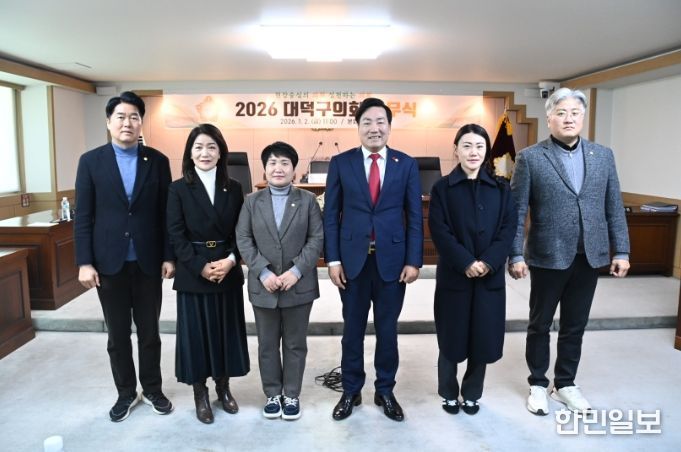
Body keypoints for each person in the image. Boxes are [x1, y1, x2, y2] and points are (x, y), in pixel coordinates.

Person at [508, 88, 630, 415]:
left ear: (583, 117)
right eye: (561, 112)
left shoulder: (603, 156)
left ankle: (565, 384)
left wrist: (622, 251)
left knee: (575, 324)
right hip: (548, 254)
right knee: (540, 324)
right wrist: (515, 255)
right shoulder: (531, 157)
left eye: (575, 112)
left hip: (589, 255)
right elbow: (516, 211)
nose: (569, 118)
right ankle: (537, 383)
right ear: (549, 118)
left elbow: (614, 206)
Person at [74, 91, 175, 422]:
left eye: (134, 117)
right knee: (117, 335)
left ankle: (153, 389)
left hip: (147, 262)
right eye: (120, 116)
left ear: (141, 122)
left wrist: (168, 256)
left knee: (149, 332)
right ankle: (125, 392)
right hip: (109, 264)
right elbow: (83, 216)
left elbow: (165, 214)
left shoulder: (157, 161)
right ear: (109, 122)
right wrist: (84, 262)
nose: (127, 123)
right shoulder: (91, 161)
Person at [323, 97, 423, 422]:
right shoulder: (341, 163)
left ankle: (385, 390)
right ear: (358, 127)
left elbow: (414, 216)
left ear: (389, 127)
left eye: (380, 122)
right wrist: (332, 260)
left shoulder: (405, 164)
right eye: (367, 122)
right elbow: (331, 216)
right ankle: (351, 390)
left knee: (387, 331)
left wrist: (414, 260)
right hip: (352, 263)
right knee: (352, 331)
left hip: (392, 263)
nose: (374, 128)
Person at [429, 124, 517, 416]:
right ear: (456, 150)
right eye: (466, 146)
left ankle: (471, 393)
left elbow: (508, 229)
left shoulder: (501, 188)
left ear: (486, 151)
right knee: (450, 336)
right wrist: (465, 262)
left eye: (479, 146)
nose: (473, 152)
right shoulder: (442, 188)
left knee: (482, 336)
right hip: (455, 275)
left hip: (489, 278)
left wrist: (489, 261)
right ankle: (448, 391)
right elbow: (439, 230)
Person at [166, 124, 250, 424]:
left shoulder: (234, 187)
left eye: (212, 147)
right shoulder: (177, 188)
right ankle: (199, 392)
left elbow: (243, 230)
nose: (205, 153)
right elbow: (175, 234)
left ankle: (223, 387)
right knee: (197, 336)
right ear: (190, 153)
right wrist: (200, 266)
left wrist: (231, 260)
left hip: (227, 269)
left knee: (225, 333)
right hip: (194, 271)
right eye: (199, 147)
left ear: (221, 152)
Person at [236, 141, 323, 421]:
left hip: (299, 285)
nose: (278, 168)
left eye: (285, 163)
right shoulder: (251, 202)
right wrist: (263, 272)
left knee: (295, 344)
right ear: (264, 168)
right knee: (267, 344)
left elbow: (316, 239)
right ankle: (273, 393)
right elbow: (243, 239)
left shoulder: (307, 201)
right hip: (264, 286)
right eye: (272, 162)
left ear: (294, 170)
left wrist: (295, 271)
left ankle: (291, 394)